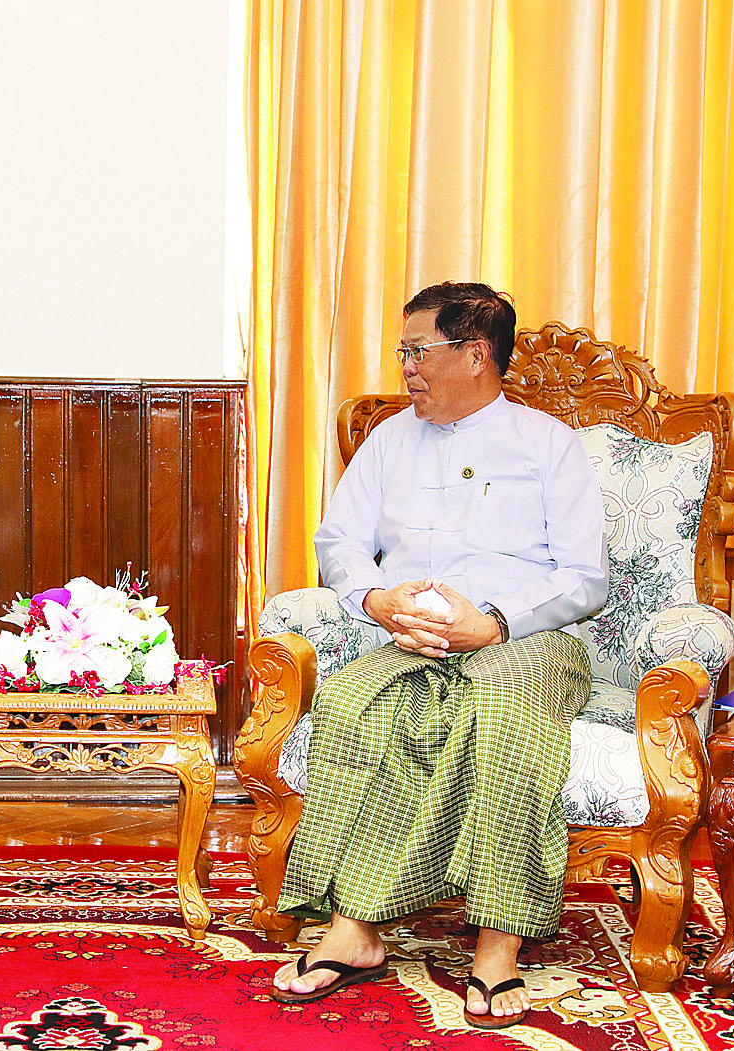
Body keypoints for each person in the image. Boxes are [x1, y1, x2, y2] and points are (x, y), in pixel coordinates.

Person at [269, 282, 607, 1029]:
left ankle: (498, 944)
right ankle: (354, 929)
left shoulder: (548, 444)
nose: (406, 368)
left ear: (475, 354)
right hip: (411, 636)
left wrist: (494, 622)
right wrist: (375, 599)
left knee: (503, 716)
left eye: (417, 351)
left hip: (526, 638)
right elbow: (338, 542)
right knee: (352, 702)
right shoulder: (389, 440)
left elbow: (585, 577)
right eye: (404, 352)